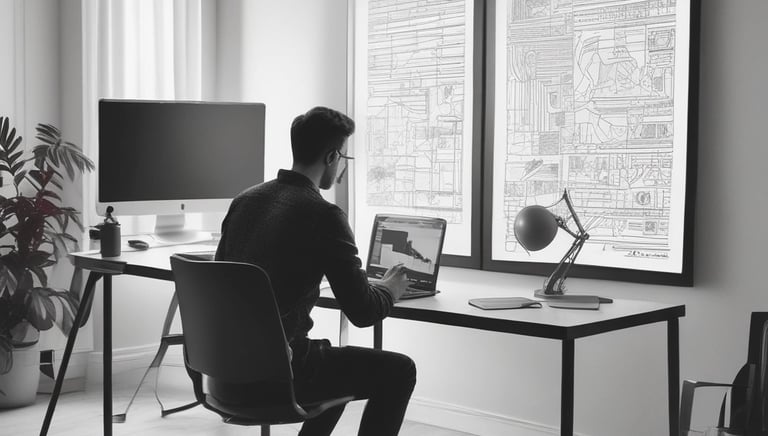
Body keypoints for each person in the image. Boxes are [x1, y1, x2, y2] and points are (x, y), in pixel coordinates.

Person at [215, 106, 416, 436]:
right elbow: (363, 312)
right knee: (400, 370)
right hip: (282, 374)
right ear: (332, 156)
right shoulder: (324, 215)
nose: (341, 170)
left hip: (226, 373)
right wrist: (390, 289)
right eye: (344, 160)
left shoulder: (245, 200)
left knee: (330, 363)